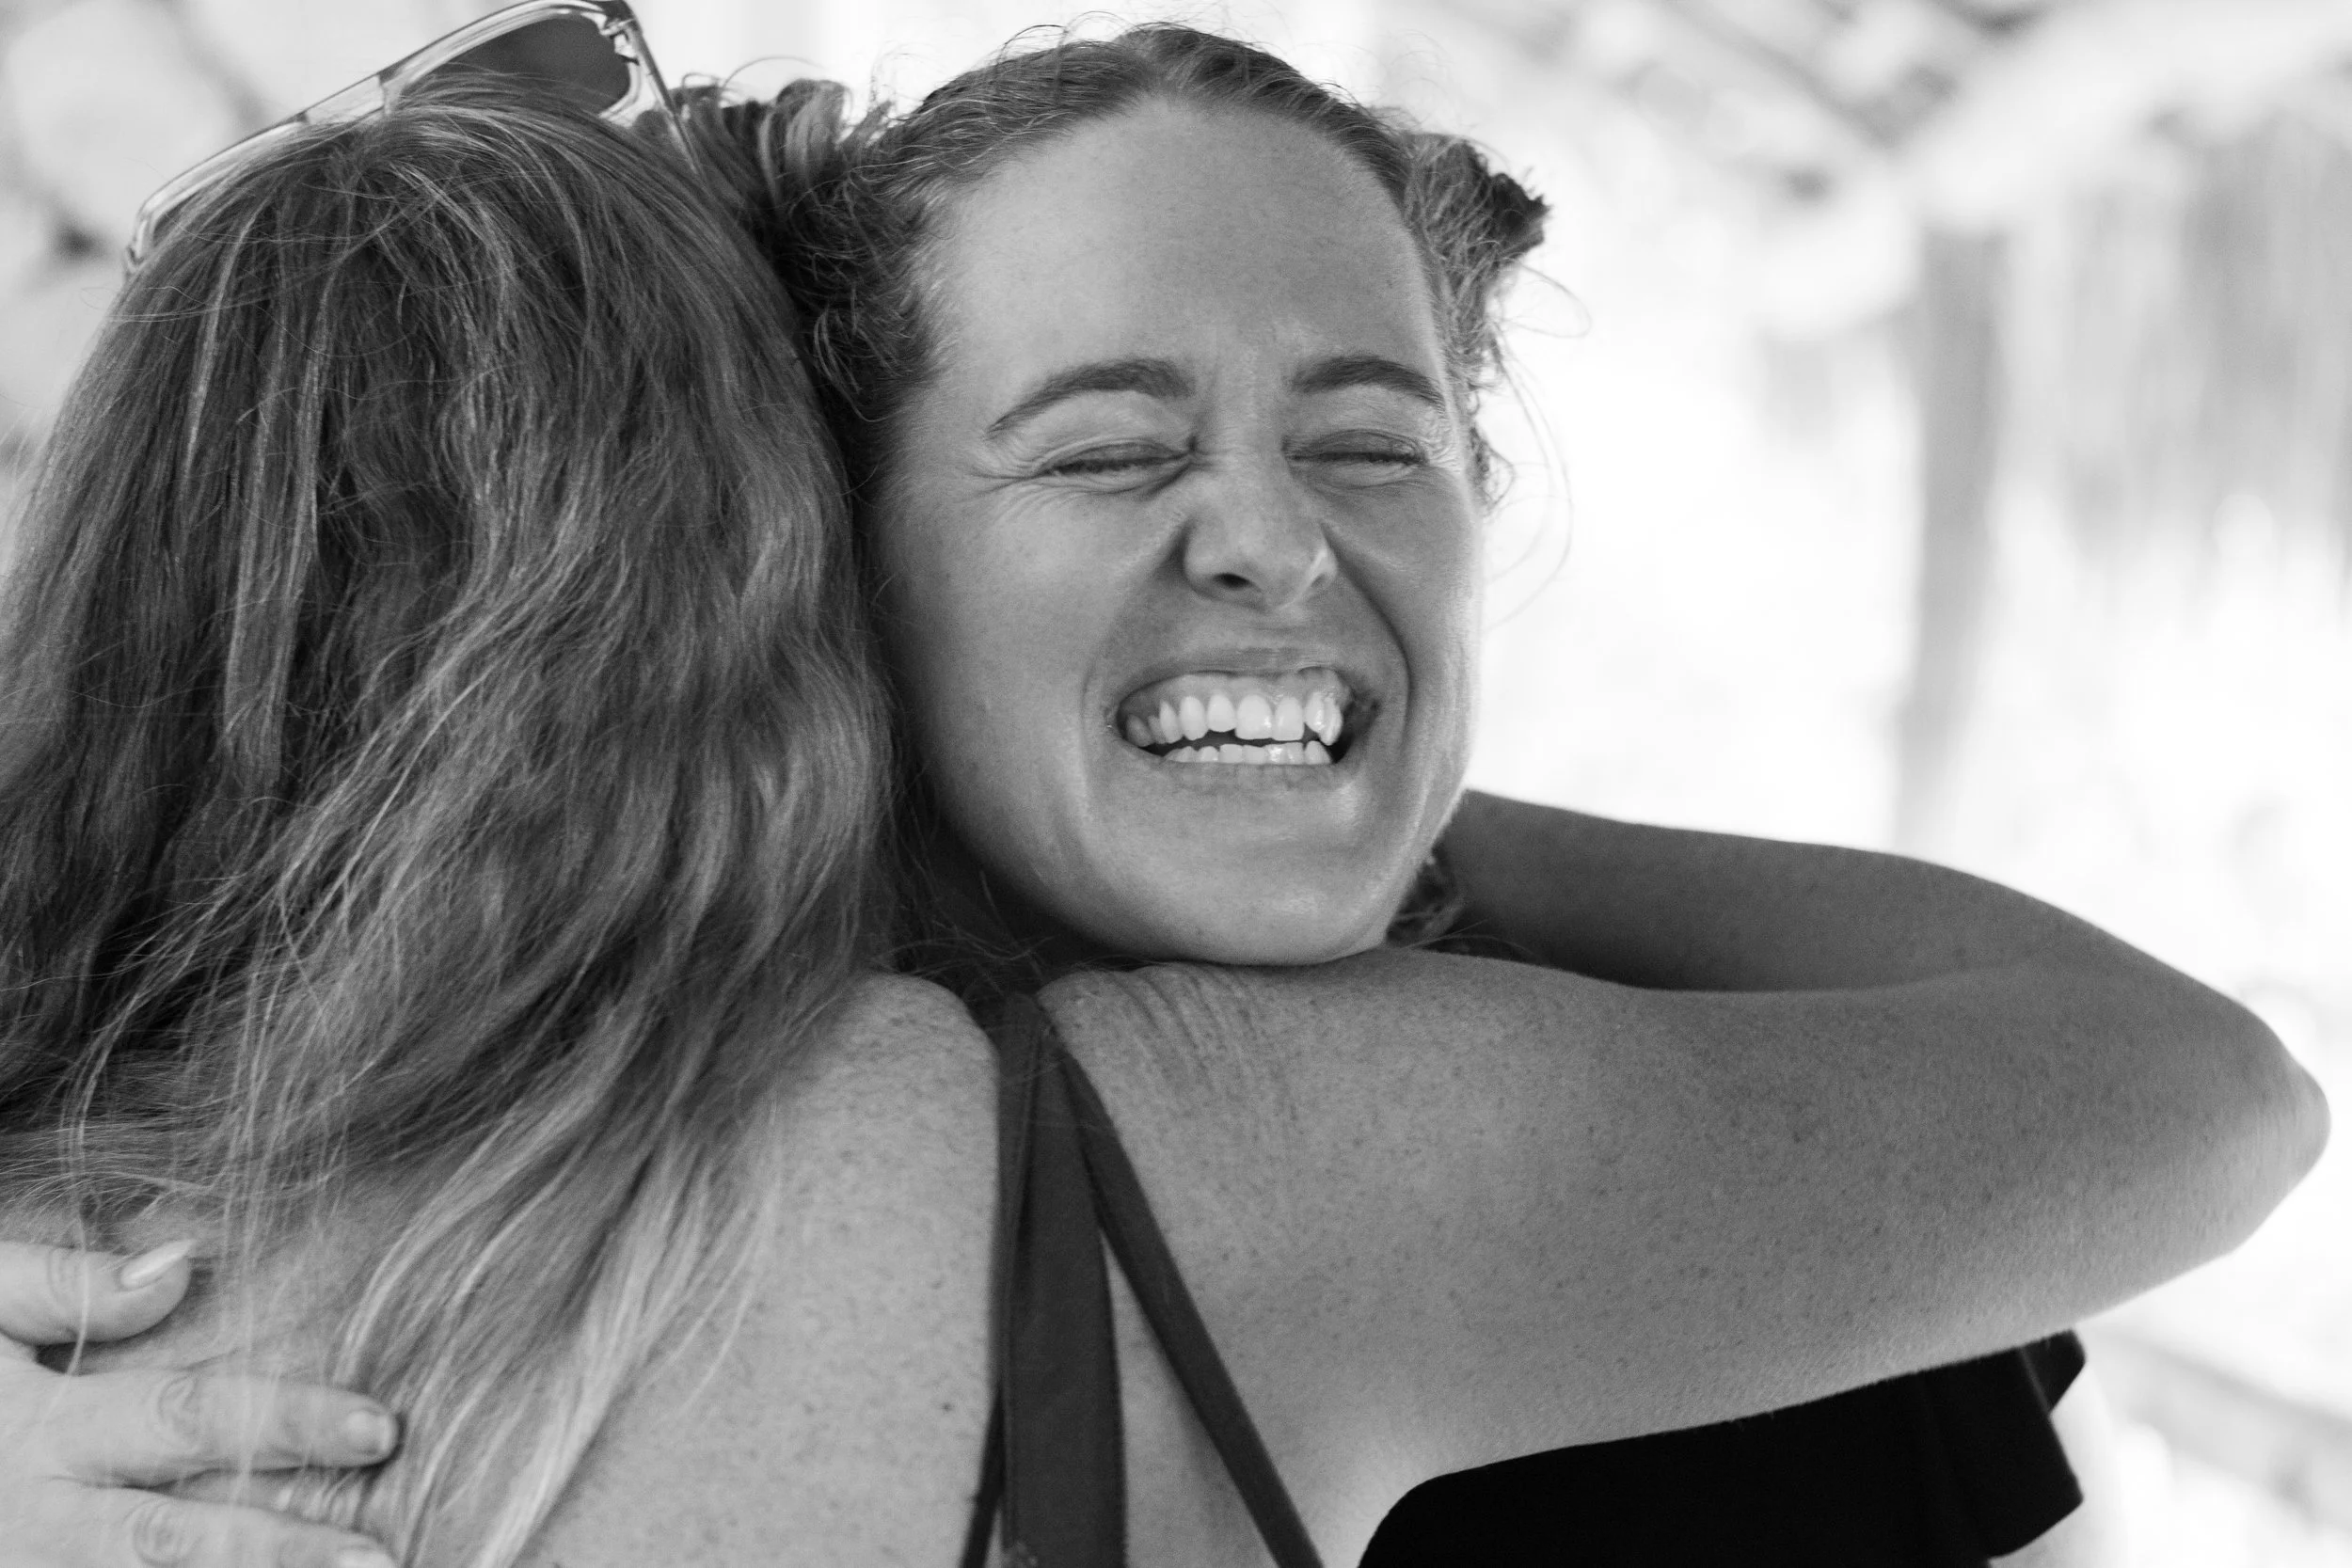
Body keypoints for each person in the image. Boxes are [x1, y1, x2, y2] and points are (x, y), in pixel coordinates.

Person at [0, 21, 2328, 1568]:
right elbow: (2201, 1095)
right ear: (834, 568)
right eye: (1105, 447)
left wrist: (1382, 789)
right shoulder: (1126, 1155)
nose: (1267, 540)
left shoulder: (1765, 1236)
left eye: (1369, 445)